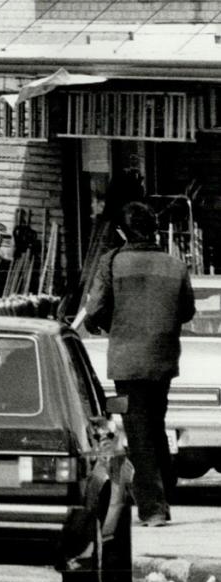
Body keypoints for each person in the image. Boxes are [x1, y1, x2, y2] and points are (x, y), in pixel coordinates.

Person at [85, 199, 195, 526]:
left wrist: (102, 325)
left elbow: (94, 311)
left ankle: (153, 508)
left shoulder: (111, 262)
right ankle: (166, 489)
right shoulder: (175, 265)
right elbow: (187, 311)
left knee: (138, 432)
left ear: (123, 231)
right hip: (163, 359)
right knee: (155, 424)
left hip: (127, 362)